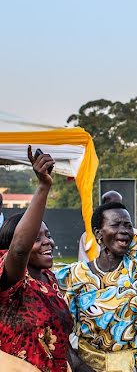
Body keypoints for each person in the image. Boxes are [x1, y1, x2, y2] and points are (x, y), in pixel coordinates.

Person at [56, 120, 137, 372]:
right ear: (98, 233)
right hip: (92, 367)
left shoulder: (136, 261)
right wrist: (79, 366)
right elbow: (59, 329)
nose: (124, 231)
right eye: (115, 225)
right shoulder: (75, 277)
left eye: (128, 225)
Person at [0, 147, 76, 372]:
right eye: (37, 237)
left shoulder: (48, 280)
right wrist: (44, 186)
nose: (48, 243)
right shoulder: (10, 277)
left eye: (49, 236)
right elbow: (20, 250)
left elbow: (63, 347)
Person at [77, 190, 130, 262]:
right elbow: (83, 264)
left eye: (117, 205)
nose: (114, 209)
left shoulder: (135, 235)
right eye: (110, 206)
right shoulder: (87, 237)